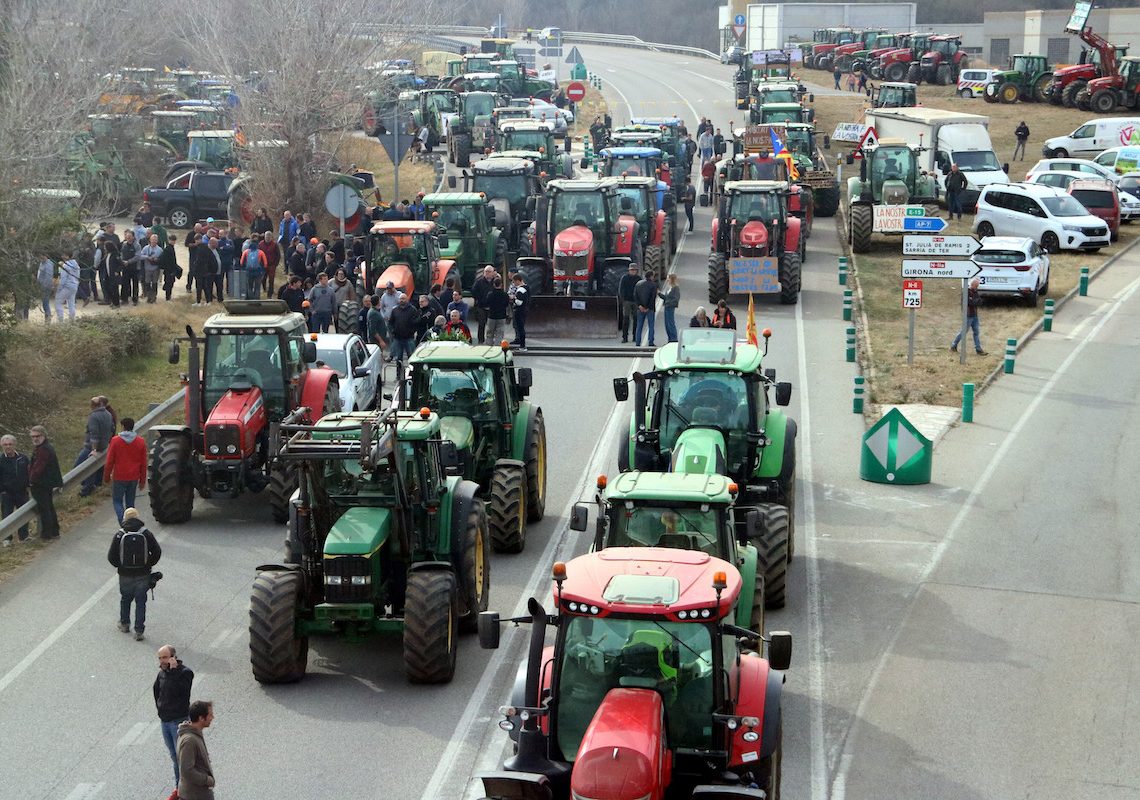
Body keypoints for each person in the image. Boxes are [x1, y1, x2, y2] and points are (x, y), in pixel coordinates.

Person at [107, 507, 161, 640]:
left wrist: (120, 566)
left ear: (125, 518)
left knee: (125, 599)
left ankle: (125, 624)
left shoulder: (120, 534)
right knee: (141, 601)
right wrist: (148, 564)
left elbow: (111, 556)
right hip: (143, 574)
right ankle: (139, 631)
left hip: (125, 574)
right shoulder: (146, 533)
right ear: (137, 517)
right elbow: (157, 552)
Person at [155, 645, 194, 798]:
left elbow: (181, 692)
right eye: (159, 658)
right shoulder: (161, 674)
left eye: (165, 657)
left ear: (173, 657)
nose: (162, 661)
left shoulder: (185, 673)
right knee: (174, 756)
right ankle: (179, 788)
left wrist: (173, 672)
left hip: (179, 722)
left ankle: (184, 790)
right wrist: (160, 710)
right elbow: (157, 692)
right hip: (165, 722)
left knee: (182, 758)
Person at [103, 417, 147, 524]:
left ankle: (122, 522)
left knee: (117, 501)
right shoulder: (140, 441)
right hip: (133, 477)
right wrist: (142, 481)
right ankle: (131, 522)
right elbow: (144, 463)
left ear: (123, 426)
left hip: (119, 476)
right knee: (130, 503)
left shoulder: (115, 441)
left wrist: (106, 476)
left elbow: (109, 461)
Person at [177, 701, 216, 800]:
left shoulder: (194, 734)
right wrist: (207, 780)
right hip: (195, 795)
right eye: (210, 715)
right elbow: (187, 771)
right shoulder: (189, 741)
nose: (212, 718)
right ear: (201, 718)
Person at [27, 426, 61, 540]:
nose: (35, 439)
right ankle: (55, 531)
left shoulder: (43, 449)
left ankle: (47, 534)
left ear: (43, 436)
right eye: (33, 437)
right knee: (49, 507)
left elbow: (39, 467)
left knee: (44, 508)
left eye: (37, 436)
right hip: (46, 483)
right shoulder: (44, 447)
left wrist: (31, 481)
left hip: (41, 483)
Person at [77, 397, 115, 497]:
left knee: (80, 467)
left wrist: (94, 449)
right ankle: (96, 484)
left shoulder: (93, 416)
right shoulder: (108, 414)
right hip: (104, 445)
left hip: (92, 447)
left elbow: (94, 434)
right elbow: (112, 429)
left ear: (92, 405)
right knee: (98, 466)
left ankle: (86, 489)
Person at [0, 434, 30, 545]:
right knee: (7, 515)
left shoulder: (23, 458)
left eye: (10, 444)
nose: (8, 447)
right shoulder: (0, 459)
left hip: (22, 492)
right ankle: (7, 539)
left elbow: (29, 472)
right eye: (5, 444)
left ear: (14, 444)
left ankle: (24, 536)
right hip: (7, 493)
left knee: (24, 514)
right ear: (2, 445)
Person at [951, 277, 986, 355]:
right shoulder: (966, 292)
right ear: (972, 285)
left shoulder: (975, 292)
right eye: (976, 286)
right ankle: (954, 345)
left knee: (976, 332)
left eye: (977, 286)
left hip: (975, 315)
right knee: (963, 331)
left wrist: (975, 301)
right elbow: (970, 302)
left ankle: (978, 349)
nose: (977, 288)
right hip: (968, 315)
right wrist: (975, 301)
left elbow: (979, 302)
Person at [388, 292, 420, 362]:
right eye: (400, 299)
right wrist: (393, 331)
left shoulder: (413, 310)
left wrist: (412, 331)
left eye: (403, 298)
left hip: (409, 338)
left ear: (407, 299)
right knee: (398, 358)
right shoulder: (395, 310)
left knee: (411, 358)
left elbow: (416, 322)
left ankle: (412, 372)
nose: (401, 300)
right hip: (398, 338)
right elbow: (390, 322)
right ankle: (399, 372)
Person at [633, 269, 658, 347]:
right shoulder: (653, 285)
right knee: (651, 326)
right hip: (650, 309)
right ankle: (650, 342)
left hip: (640, 308)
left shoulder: (638, 284)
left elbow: (635, 295)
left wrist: (639, 305)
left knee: (639, 325)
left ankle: (638, 342)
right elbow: (652, 297)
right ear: (651, 276)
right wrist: (647, 307)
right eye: (653, 276)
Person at [471, 266, 495, 343]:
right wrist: (479, 300)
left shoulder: (495, 282)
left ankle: (490, 340)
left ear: (492, 273)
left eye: (489, 272)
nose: (487, 273)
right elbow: (474, 292)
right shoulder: (479, 282)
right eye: (486, 272)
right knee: (481, 324)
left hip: (492, 307)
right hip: (481, 306)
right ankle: (480, 340)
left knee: (492, 325)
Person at [483, 276, 509, 345]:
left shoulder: (490, 294)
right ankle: (497, 347)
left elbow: (487, 303)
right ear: (501, 285)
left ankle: (488, 346)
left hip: (491, 316)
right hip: (501, 316)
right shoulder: (505, 295)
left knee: (489, 333)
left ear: (494, 284)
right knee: (499, 334)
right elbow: (506, 304)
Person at [617, 263, 639, 343]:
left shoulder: (638, 279)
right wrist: (623, 299)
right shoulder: (624, 278)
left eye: (634, 270)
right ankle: (625, 337)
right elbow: (621, 289)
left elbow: (640, 290)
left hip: (635, 301)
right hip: (627, 301)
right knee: (626, 319)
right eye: (632, 270)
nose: (633, 271)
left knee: (636, 319)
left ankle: (635, 336)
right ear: (629, 270)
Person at [140, 234, 164, 303]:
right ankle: (149, 296)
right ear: (150, 240)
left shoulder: (160, 250)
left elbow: (162, 260)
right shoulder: (145, 248)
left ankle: (154, 297)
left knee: (154, 284)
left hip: (155, 269)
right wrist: (147, 257)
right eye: (152, 240)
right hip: (147, 268)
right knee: (147, 283)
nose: (154, 241)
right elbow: (140, 256)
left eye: (155, 240)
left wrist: (157, 259)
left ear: (157, 241)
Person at [55, 256, 80, 321]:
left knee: (58, 302)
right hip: (74, 285)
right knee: (71, 304)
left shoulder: (65, 266)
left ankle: (60, 321)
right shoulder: (76, 265)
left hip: (67, 286)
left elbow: (63, 278)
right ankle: (71, 320)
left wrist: (58, 288)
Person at [658, 273, 680, 344]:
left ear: (671, 279)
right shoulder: (669, 288)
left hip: (670, 307)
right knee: (667, 324)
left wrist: (668, 303)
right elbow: (666, 297)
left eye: (668, 278)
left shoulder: (675, 288)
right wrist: (659, 294)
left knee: (670, 323)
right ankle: (670, 339)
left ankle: (674, 339)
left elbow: (676, 299)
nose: (667, 279)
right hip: (667, 307)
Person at [510, 273, 529, 350]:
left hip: (519, 311)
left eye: (514, 282)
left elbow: (519, 302)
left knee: (520, 328)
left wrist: (513, 298)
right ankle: (522, 345)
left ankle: (522, 346)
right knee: (521, 328)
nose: (513, 284)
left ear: (518, 281)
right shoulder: (527, 288)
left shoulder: (520, 290)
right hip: (524, 310)